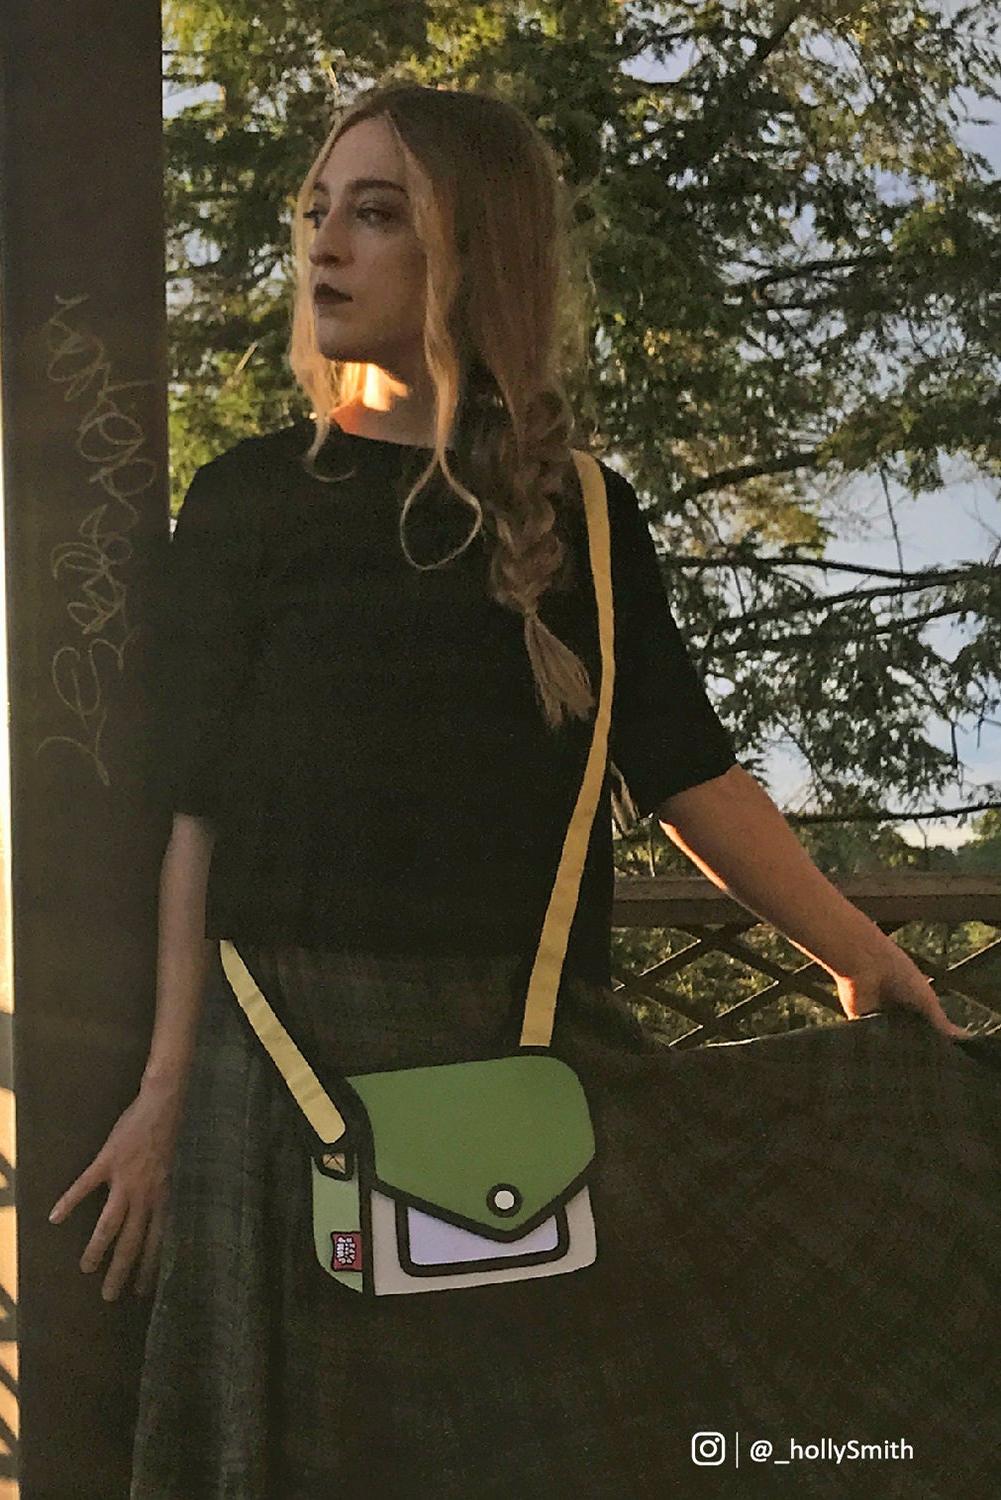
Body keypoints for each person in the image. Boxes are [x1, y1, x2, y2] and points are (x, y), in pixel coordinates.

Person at [50, 81, 1001, 1497]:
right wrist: (165, 1090)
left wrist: (859, 952)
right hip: (282, 1077)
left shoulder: (588, 515)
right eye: (317, 211)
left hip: (527, 1063)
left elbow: (688, 771)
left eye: (378, 215)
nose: (326, 245)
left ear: (471, 254)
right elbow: (198, 818)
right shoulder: (249, 498)